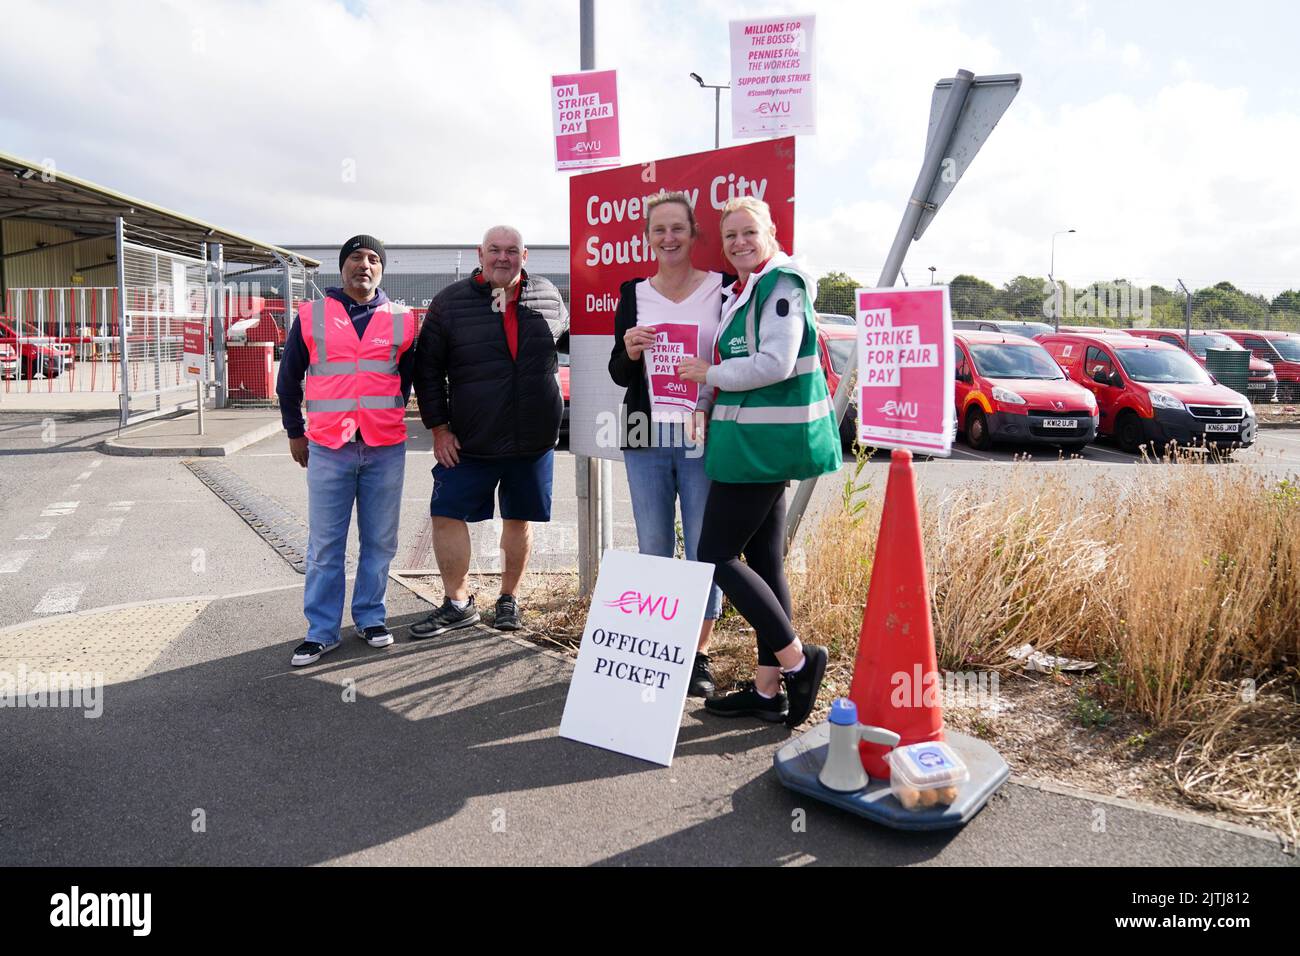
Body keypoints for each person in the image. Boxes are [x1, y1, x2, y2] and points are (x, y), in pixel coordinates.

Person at [677, 198, 842, 726]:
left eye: (749, 232)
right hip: (748, 444)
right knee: (767, 565)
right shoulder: (743, 291)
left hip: (761, 451)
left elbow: (775, 362)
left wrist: (707, 377)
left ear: (770, 233)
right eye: (730, 237)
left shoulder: (782, 285)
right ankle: (769, 693)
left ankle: (799, 661)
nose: (739, 243)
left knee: (716, 553)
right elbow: (726, 363)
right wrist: (705, 398)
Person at [411, 226, 568, 637]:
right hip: (470, 439)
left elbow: (575, 345)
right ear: (480, 254)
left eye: (511, 251)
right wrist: (439, 428)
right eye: (495, 250)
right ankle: (458, 603)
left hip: (532, 439)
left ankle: (508, 598)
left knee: (519, 519)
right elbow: (426, 370)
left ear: (525, 255)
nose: (503, 257)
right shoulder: (450, 303)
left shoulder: (549, 297)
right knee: (445, 513)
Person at [276, 235, 417, 666]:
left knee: (379, 541)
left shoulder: (402, 319)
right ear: (342, 268)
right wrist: (294, 432)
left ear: (382, 270)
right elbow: (289, 380)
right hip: (328, 446)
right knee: (324, 544)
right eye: (356, 257)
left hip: (384, 447)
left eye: (374, 259)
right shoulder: (312, 316)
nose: (365, 264)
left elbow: (409, 382)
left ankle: (371, 617)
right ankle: (321, 631)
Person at [608, 192, 727, 698]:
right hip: (645, 432)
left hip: (703, 431)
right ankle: (657, 647)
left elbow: (736, 357)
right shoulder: (633, 292)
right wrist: (631, 351)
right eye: (659, 229)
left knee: (705, 549)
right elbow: (618, 371)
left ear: (694, 232)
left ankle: (697, 655)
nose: (669, 238)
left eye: (678, 228)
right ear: (647, 237)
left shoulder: (723, 289)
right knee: (653, 545)